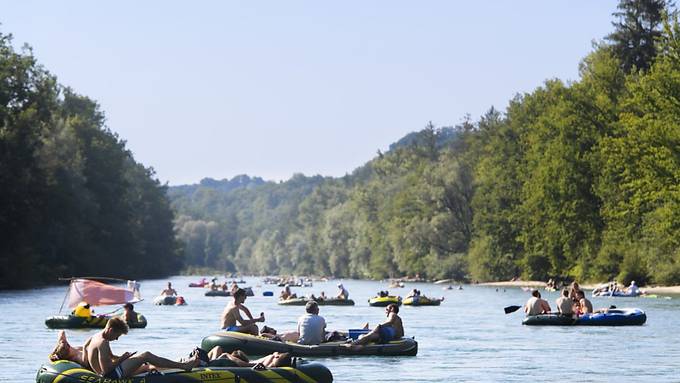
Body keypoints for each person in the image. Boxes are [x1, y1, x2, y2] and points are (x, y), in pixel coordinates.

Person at [83, 317, 198, 379]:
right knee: (146, 355)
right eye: (117, 336)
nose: (117, 339)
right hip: (111, 375)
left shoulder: (96, 336)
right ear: (111, 330)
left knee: (146, 365)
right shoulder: (103, 343)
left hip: (104, 372)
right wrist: (122, 359)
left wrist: (125, 357)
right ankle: (184, 366)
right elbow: (107, 369)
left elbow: (85, 347)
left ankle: (176, 365)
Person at [206, 346, 292, 368]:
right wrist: (276, 354)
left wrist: (227, 355)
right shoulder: (271, 359)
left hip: (215, 365)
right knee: (217, 348)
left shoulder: (267, 364)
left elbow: (244, 364)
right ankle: (204, 361)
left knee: (218, 348)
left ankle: (205, 363)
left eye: (278, 355)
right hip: (245, 363)